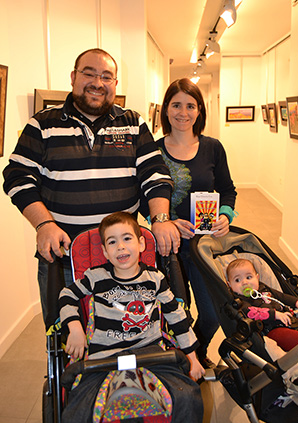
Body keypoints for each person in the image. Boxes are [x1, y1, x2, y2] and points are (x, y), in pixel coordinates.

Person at [2, 48, 180, 322]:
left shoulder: (133, 123)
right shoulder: (42, 124)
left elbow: (154, 175)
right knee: (66, 335)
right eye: (89, 73)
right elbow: (17, 176)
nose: (98, 82)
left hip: (123, 257)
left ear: (115, 84)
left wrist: (161, 218)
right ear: (73, 77)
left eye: (106, 76)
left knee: (127, 329)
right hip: (64, 255)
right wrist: (44, 225)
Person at [59, 211, 205, 423]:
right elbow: (67, 295)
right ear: (105, 252)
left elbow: (176, 316)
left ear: (141, 244)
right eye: (112, 242)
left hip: (152, 356)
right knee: (76, 414)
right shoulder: (96, 276)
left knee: (188, 396)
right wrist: (75, 329)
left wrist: (192, 357)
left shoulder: (156, 279)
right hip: (104, 359)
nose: (120, 246)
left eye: (127, 238)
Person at [156, 78, 237, 367]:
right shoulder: (153, 151)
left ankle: (197, 353)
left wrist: (225, 216)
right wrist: (167, 221)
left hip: (204, 246)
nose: (183, 112)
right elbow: (143, 198)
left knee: (213, 311)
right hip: (168, 247)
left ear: (199, 110)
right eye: (176, 105)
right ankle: (183, 361)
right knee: (178, 311)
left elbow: (228, 189)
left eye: (190, 105)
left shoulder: (213, 148)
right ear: (166, 109)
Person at [226, 258, 298, 351]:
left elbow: (280, 296)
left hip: (290, 319)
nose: (244, 282)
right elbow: (251, 312)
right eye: (237, 280)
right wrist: (275, 315)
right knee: (295, 339)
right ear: (230, 285)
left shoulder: (262, 288)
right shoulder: (240, 301)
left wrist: (297, 302)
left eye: (248, 277)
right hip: (272, 329)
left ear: (257, 277)